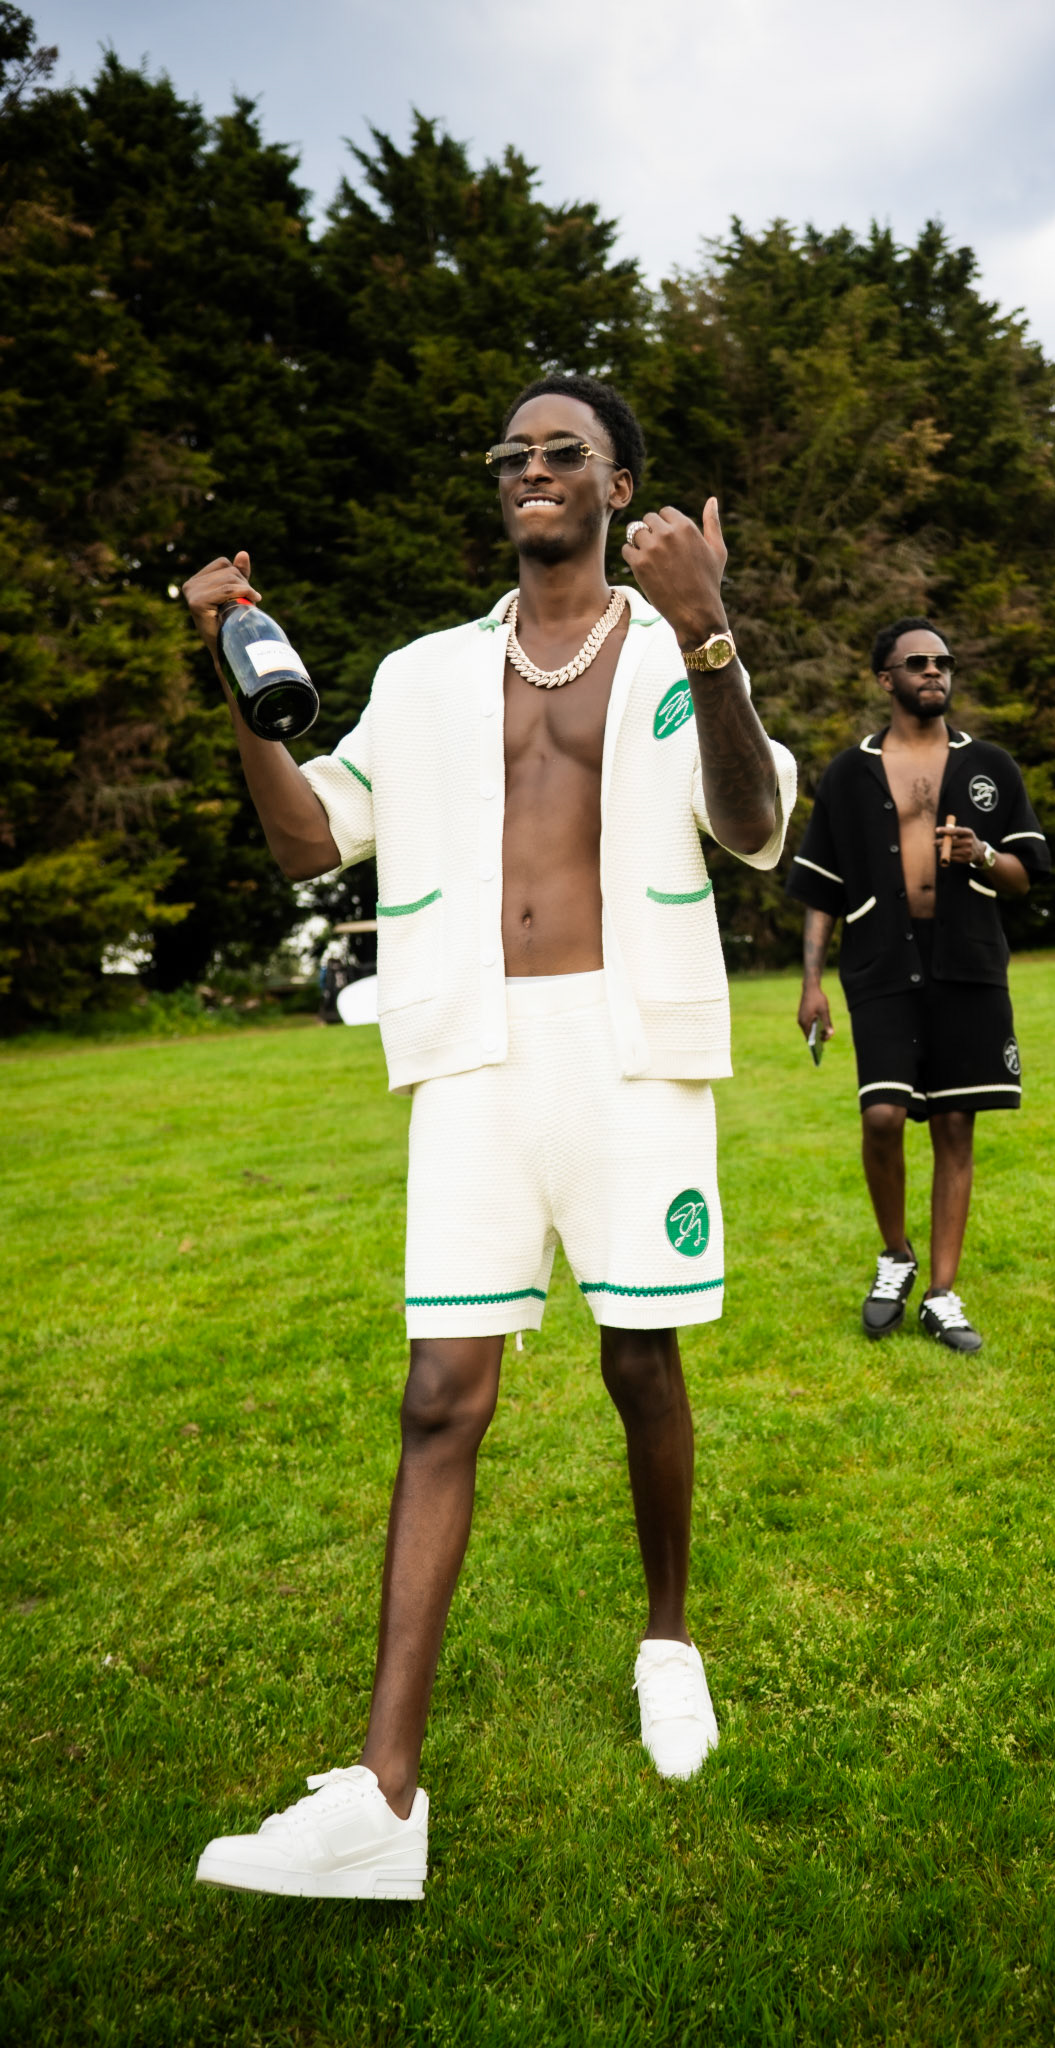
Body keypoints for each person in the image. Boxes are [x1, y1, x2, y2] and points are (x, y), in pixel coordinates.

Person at [183, 374, 796, 1900]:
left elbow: (753, 825)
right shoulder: (425, 674)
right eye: (512, 453)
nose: (532, 468)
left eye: (563, 451)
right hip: (469, 1054)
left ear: (618, 484)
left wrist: (711, 629)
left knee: (639, 1359)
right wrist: (234, 675)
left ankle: (667, 1639)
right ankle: (384, 1799)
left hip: (628, 1050)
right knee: (439, 1398)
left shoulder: (670, 647)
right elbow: (310, 838)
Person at [788, 617, 1050, 1352]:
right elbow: (822, 890)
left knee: (955, 1124)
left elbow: (1026, 876)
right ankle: (894, 1255)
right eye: (917, 662)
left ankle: (941, 1292)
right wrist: (811, 983)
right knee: (882, 1115)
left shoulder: (990, 764)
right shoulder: (849, 774)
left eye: (943, 661)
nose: (934, 671)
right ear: (886, 679)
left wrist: (981, 853)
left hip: (967, 960)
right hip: (880, 961)